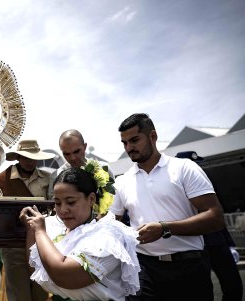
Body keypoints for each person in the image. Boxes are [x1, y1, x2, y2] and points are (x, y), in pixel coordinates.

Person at [108, 113, 226, 301]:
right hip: (144, 269)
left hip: (189, 267)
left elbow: (215, 217)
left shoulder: (184, 168)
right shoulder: (122, 182)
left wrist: (164, 228)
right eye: (124, 143)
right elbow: (110, 223)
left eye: (134, 140)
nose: (129, 148)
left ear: (152, 136)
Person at [20, 164, 140, 301]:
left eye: (70, 202)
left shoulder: (109, 236)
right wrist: (32, 229)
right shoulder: (54, 226)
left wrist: (40, 232)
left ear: (91, 199)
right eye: (57, 203)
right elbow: (36, 270)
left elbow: (64, 276)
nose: (63, 210)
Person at [0, 139, 54, 301]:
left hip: (40, 243)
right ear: (18, 157)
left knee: (41, 293)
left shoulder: (48, 179)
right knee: (19, 295)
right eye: (26, 157)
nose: (30, 161)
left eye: (33, 157)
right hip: (13, 244)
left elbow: (54, 208)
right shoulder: (1, 180)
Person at [176, 151, 243, 301]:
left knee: (234, 285)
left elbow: (218, 218)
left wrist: (229, 245)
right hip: (193, 248)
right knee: (200, 291)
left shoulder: (205, 185)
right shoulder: (173, 189)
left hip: (217, 243)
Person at [48, 130, 114, 217]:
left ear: (85, 146)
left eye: (76, 151)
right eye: (66, 154)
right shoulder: (57, 175)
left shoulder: (103, 169)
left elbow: (114, 203)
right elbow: (54, 208)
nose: (73, 158)